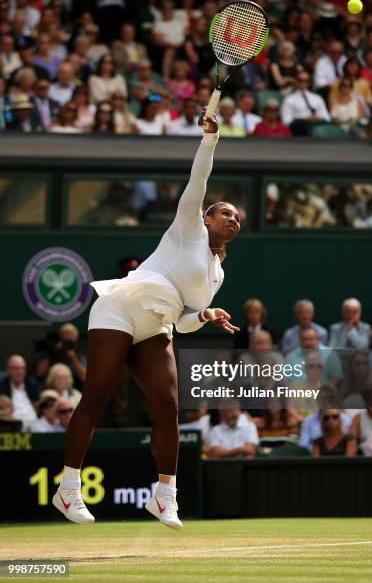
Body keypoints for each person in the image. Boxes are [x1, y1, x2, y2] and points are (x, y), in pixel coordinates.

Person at [52, 111, 241, 532]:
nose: (233, 219)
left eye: (238, 219)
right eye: (226, 213)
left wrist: (206, 314)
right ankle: (68, 487)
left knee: (169, 406)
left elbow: (186, 321)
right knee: (97, 395)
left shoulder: (218, 273)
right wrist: (209, 140)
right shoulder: (187, 227)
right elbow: (199, 181)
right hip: (120, 307)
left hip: (157, 326)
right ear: (206, 217)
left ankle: (164, 496)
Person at [281, 72, 331, 136]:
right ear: (296, 81)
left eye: (306, 81)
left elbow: (327, 117)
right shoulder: (289, 99)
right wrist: (306, 119)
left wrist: (317, 118)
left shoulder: (317, 98)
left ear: (309, 82)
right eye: (300, 80)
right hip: (300, 128)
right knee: (303, 125)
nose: (303, 83)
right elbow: (286, 121)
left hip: (317, 125)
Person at [0, 355, 39, 430]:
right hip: (12, 427)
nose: (20, 372)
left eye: (22, 368)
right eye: (16, 368)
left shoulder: (32, 386)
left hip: (35, 425)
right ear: (8, 370)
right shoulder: (1, 387)